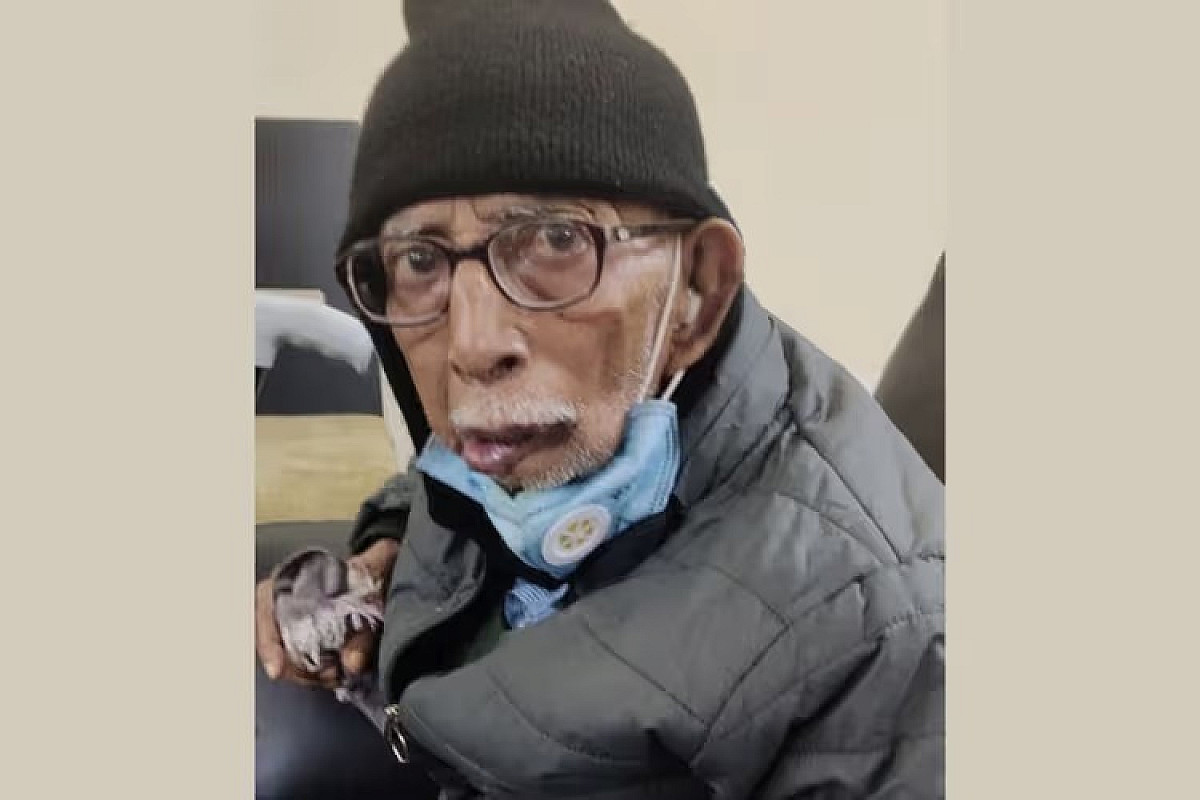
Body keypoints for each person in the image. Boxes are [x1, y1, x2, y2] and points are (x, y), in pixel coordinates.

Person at [254, 1, 945, 797]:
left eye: (555, 239)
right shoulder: (556, 414)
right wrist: (382, 553)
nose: (472, 344)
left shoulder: (878, 638)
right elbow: (453, 484)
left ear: (698, 285)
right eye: (419, 258)